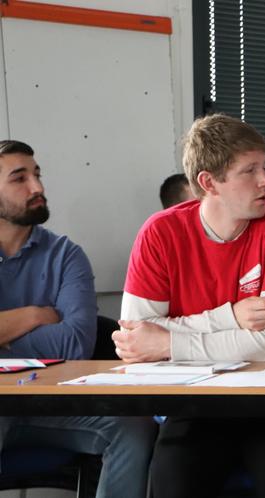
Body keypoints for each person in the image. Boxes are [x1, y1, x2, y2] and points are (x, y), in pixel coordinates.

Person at [115, 114, 265, 498]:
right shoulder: (160, 232)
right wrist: (231, 316)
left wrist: (169, 342)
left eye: (264, 167)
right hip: (194, 402)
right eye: (249, 171)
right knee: (171, 483)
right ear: (209, 183)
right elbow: (136, 339)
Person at [0, 140, 155, 498]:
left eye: (37, 175)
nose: (37, 187)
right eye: (19, 178)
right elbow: (57, 341)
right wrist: (34, 315)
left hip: (54, 406)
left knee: (135, 428)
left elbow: (74, 344)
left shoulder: (66, 256)